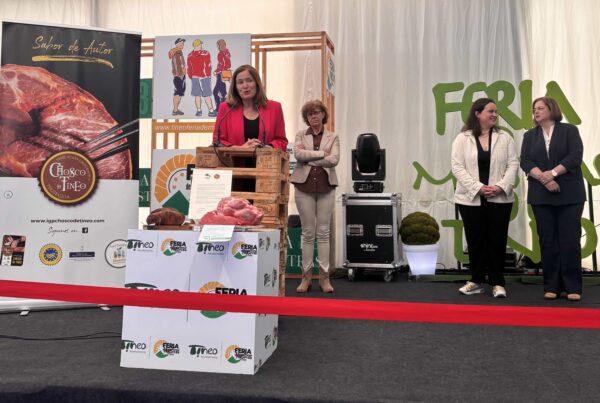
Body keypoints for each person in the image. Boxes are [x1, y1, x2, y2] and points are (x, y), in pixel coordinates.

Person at [451, 98, 518, 298]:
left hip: (499, 198)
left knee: (497, 240)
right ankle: (476, 281)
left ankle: (498, 283)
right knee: (475, 241)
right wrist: (478, 188)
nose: (494, 115)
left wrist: (500, 187)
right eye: (491, 111)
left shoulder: (505, 137)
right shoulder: (462, 138)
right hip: (470, 198)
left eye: (496, 111)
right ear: (478, 113)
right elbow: (457, 167)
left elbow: (513, 164)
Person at [520, 97, 586, 301]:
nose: (536, 111)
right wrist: (544, 178)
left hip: (570, 194)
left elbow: (575, 156)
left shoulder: (569, 130)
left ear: (552, 109)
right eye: (534, 109)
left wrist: (553, 173)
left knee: (570, 240)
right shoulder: (529, 135)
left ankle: (572, 287)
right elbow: (525, 161)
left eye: (540, 108)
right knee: (547, 241)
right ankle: (552, 286)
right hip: (541, 194)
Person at [290, 100, 339, 293]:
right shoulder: (300, 135)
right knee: (308, 232)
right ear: (306, 118)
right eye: (310, 114)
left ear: (323, 114)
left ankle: (324, 278)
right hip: (303, 187)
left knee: (324, 232)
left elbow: (334, 160)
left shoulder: (333, 136)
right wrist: (320, 154)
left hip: (327, 187)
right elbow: (298, 155)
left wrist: (309, 157)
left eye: (317, 112)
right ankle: (306, 278)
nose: (314, 116)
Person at [211, 64, 287, 150]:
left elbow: (281, 141)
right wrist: (241, 149)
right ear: (235, 87)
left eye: (249, 81)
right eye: (240, 82)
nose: (245, 86)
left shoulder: (275, 108)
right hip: (233, 159)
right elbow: (217, 142)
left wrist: (264, 148)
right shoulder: (226, 108)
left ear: (257, 83)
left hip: (266, 158)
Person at [187, 39, 217, 117]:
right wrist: (209, 75)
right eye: (200, 44)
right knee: (207, 95)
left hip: (195, 78)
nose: (201, 46)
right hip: (204, 77)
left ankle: (199, 111)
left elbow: (189, 68)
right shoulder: (206, 53)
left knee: (197, 95)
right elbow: (208, 65)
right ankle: (211, 111)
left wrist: (191, 76)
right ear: (197, 45)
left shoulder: (189, 55)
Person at [168, 38, 186, 116]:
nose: (182, 44)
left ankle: (176, 109)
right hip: (179, 76)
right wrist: (181, 75)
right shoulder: (177, 53)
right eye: (180, 43)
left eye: (183, 43)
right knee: (178, 93)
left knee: (179, 93)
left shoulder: (179, 52)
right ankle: (175, 110)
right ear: (176, 44)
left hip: (180, 76)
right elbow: (177, 65)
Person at [213, 39, 231, 111]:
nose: (218, 47)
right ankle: (222, 108)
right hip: (226, 72)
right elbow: (228, 64)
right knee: (222, 92)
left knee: (218, 92)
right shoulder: (227, 52)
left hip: (221, 73)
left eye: (218, 45)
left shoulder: (221, 53)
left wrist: (216, 71)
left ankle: (220, 108)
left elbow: (222, 64)